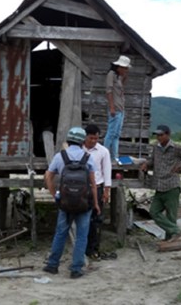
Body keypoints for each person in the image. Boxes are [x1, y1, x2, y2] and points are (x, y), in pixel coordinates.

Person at [43, 127, 101, 279]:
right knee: (82, 236)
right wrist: (95, 204)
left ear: (68, 140)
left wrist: (55, 195)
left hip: (65, 202)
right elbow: (93, 184)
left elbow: (48, 176)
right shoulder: (88, 158)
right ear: (83, 141)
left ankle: (52, 265)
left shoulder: (60, 156)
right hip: (84, 203)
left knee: (61, 233)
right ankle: (76, 269)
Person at [140, 124, 181, 243]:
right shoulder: (156, 147)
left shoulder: (176, 148)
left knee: (171, 216)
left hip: (172, 185)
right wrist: (146, 163)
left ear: (168, 135)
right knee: (154, 212)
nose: (159, 137)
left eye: (161, 135)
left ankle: (170, 239)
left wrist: (180, 166)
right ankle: (176, 232)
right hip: (159, 185)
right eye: (157, 135)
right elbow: (152, 160)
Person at [82, 124, 112, 259]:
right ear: (85, 137)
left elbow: (107, 171)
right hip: (81, 188)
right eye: (91, 138)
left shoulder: (103, 151)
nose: (93, 141)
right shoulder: (78, 149)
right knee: (81, 218)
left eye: (96, 138)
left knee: (96, 219)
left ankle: (93, 248)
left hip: (98, 188)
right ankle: (81, 247)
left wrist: (107, 191)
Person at [104, 55, 131, 163]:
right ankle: (105, 155)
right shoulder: (111, 74)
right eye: (124, 68)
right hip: (115, 108)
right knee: (111, 133)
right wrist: (111, 107)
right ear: (119, 67)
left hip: (120, 108)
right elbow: (109, 91)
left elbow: (119, 89)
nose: (126, 70)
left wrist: (124, 77)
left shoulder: (118, 77)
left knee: (116, 134)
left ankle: (114, 156)